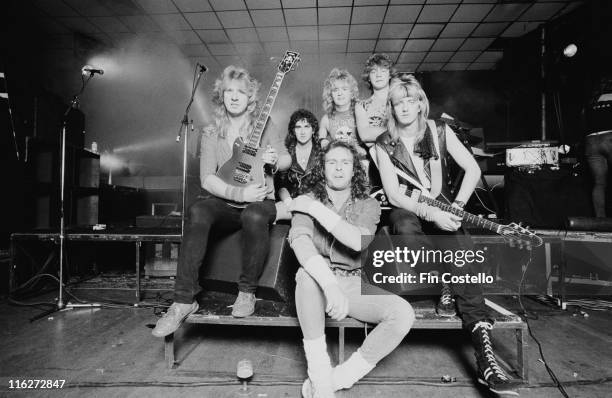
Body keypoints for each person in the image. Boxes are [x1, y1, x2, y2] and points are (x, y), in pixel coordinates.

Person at [375, 74, 520, 396]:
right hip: (409, 208)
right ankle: (441, 280)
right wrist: (431, 214)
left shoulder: (440, 130)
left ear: (420, 103)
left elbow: (473, 169)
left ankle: (485, 359)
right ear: (392, 107)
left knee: (463, 263)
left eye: (410, 101)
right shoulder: (384, 143)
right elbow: (394, 194)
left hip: (443, 204)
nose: (404, 107)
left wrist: (455, 206)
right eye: (398, 102)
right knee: (406, 229)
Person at [152, 65, 291, 337]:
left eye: (240, 92)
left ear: (250, 97)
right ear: (221, 95)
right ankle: (183, 301)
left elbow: (286, 157)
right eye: (229, 91)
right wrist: (239, 194)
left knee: (254, 215)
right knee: (199, 210)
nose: (234, 96)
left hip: (259, 200)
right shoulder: (211, 131)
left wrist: (275, 161)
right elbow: (207, 179)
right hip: (227, 201)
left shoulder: (266, 124)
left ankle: (246, 292)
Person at [288, 140, 414, 398]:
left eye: (345, 162)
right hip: (316, 283)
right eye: (331, 162)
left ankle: (338, 379)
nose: (338, 168)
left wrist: (316, 211)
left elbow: (358, 241)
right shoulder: (307, 199)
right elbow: (300, 243)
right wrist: (329, 285)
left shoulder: (369, 204)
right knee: (306, 276)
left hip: (353, 282)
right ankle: (320, 374)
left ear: (355, 168)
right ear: (322, 168)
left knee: (403, 313)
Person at [275, 109, 321, 220]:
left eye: (307, 126)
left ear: (313, 130)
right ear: (293, 131)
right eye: (298, 127)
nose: (302, 132)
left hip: (317, 203)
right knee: (270, 213)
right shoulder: (286, 154)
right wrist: (289, 203)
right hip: (291, 202)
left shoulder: (322, 152)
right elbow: (280, 186)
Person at [318, 68, 366, 158]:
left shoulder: (359, 111)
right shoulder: (326, 119)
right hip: (338, 161)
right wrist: (323, 142)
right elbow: (321, 142)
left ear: (351, 93)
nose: (340, 93)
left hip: (361, 160)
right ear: (330, 95)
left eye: (344, 89)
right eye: (335, 90)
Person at [585, 77, 612, 217]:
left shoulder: (592, 102)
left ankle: (600, 220)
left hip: (591, 141)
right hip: (609, 138)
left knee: (599, 183)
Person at [355, 53, 395, 147]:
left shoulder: (400, 99)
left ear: (390, 74)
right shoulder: (361, 105)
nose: (378, 75)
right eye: (373, 71)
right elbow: (365, 136)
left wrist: (375, 132)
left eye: (383, 70)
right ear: (368, 77)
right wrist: (399, 129)